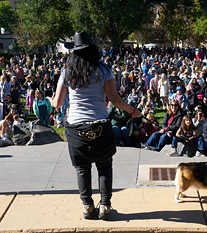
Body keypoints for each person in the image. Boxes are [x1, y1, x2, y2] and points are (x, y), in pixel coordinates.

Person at [47, 30, 141, 220]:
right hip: (99, 125)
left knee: (82, 168)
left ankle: (87, 206)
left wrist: (50, 99)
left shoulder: (67, 72)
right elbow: (114, 99)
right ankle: (105, 205)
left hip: (76, 128)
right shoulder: (104, 70)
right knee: (104, 165)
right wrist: (133, 111)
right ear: (93, 50)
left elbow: (57, 103)